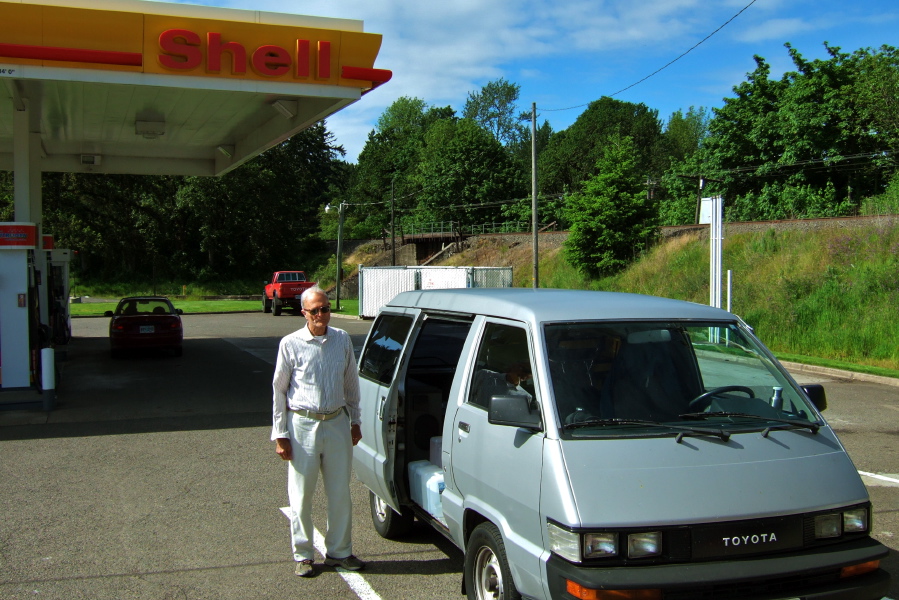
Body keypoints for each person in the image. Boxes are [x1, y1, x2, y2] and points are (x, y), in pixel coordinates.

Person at [271, 286, 364, 578]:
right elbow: (279, 391)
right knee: (301, 495)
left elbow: (351, 384)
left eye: (325, 309)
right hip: (302, 426)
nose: (321, 315)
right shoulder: (290, 344)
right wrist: (280, 434)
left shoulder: (342, 340)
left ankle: (340, 552)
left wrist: (355, 421)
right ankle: (303, 555)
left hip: (337, 422)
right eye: (315, 310)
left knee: (340, 493)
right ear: (304, 313)